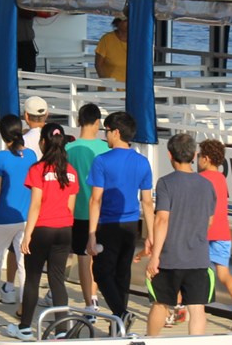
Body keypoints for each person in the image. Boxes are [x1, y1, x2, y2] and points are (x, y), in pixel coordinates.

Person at [9, 123, 79, 340]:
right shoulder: (70, 171)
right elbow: (70, 207)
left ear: (43, 143)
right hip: (65, 229)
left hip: (42, 229)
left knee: (32, 279)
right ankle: (61, 330)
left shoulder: (37, 169)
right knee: (57, 280)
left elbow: (36, 204)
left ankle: (25, 328)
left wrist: (27, 234)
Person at [145, 132, 217, 336]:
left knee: (161, 304)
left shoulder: (166, 183)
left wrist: (155, 256)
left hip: (170, 257)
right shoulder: (206, 184)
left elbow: (162, 219)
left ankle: (150, 341)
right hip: (198, 256)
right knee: (197, 308)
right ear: (194, 155)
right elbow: (209, 221)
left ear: (170, 155)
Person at [87, 111, 154, 327]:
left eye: (106, 131)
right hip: (131, 224)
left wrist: (91, 234)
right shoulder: (143, 162)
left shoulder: (101, 161)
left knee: (101, 271)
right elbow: (147, 202)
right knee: (122, 275)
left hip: (108, 224)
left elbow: (95, 199)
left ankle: (121, 314)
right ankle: (118, 326)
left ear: (116, 132)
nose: (105, 136)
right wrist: (150, 236)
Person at [0, 114, 36, 313]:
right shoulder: (31, 156)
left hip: (2, 216)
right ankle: (24, 304)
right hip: (25, 216)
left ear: (3, 135)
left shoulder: (0, 158)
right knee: (24, 261)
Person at [198, 139, 232, 330]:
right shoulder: (221, 178)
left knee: (193, 271)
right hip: (223, 232)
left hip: (203, 232)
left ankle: (187, 309)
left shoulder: (200, 178)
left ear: (205, 158)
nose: (196, 159)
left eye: (199, 155)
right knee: (224, 273)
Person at [65, 104, 107, 309]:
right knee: (95, 256)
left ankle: (89, 302)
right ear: (98, 122)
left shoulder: (68, 149)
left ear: (79, 121)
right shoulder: (106, 149)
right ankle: (94, 296)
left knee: (81, 257)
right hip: (101, 212)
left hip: (75, 211)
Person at [94, 16, 128, 83]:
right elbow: (98, 64)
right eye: (126, 21)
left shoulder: (137, 40)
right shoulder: (107, 39)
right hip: (110, 87)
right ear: (118, 23)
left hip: (132, 86)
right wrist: (106, 82)